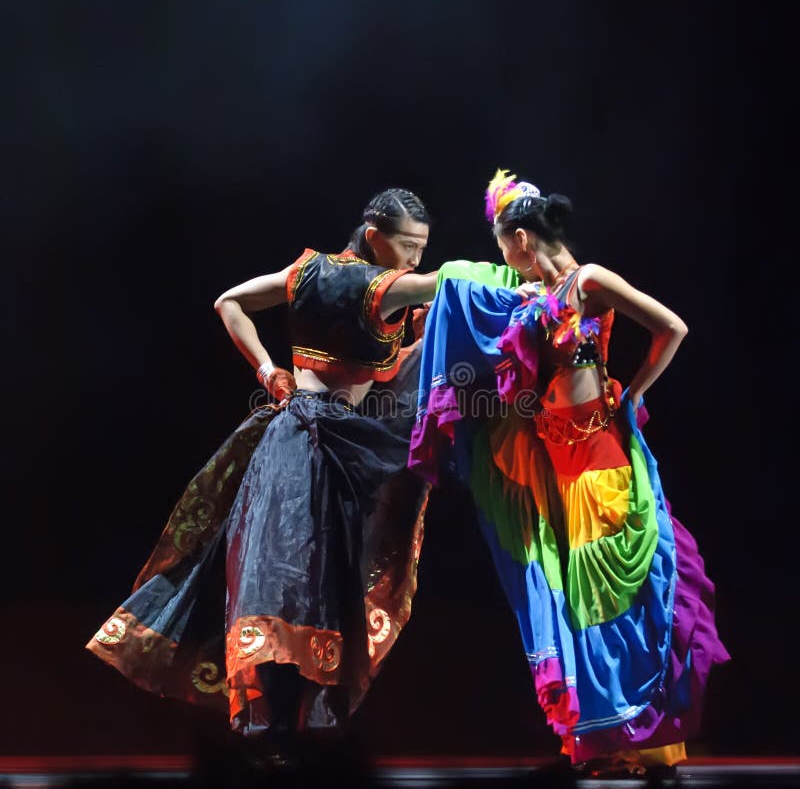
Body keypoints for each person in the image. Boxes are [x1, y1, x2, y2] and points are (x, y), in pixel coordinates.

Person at [86, 188, 439, 767]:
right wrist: (526, 280)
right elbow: (445, 284)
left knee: (289, 579)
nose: (415, 258)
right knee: (308, 582)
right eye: (407, 245)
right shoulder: (384, 285)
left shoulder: (307, 273)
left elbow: (229, 302)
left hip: (296, 435)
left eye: (421, 248)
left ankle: (278, 733)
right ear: (375, 235)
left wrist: (268, 369)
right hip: (323, 445)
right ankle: (283, 733)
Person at [408, 169, 730, 778]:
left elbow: (672, 328)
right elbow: (472, 299)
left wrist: (635, 392)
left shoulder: (590, 281)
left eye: (504, 247)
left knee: (614, 596)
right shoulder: (532, 296)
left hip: (598, 458)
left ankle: (644, 738)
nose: (504, 260)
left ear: (522, 239)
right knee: (579, 605)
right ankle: (607, 742)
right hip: (554, 462)